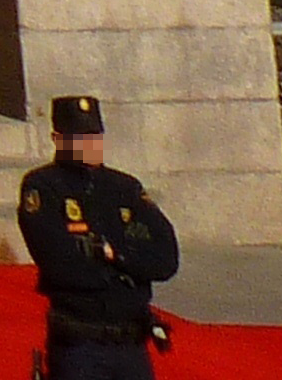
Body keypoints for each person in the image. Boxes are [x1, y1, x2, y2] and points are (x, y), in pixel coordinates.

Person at [15, 94, 181, 380]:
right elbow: (59, 264)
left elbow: (166, 258)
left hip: (130, 343)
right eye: (81, 137)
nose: (91, 145)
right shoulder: (43, 187)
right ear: (58, 138)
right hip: (80, 343)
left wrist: (115, 255)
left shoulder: (124, 188)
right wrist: (128, 273)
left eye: (96, 136)